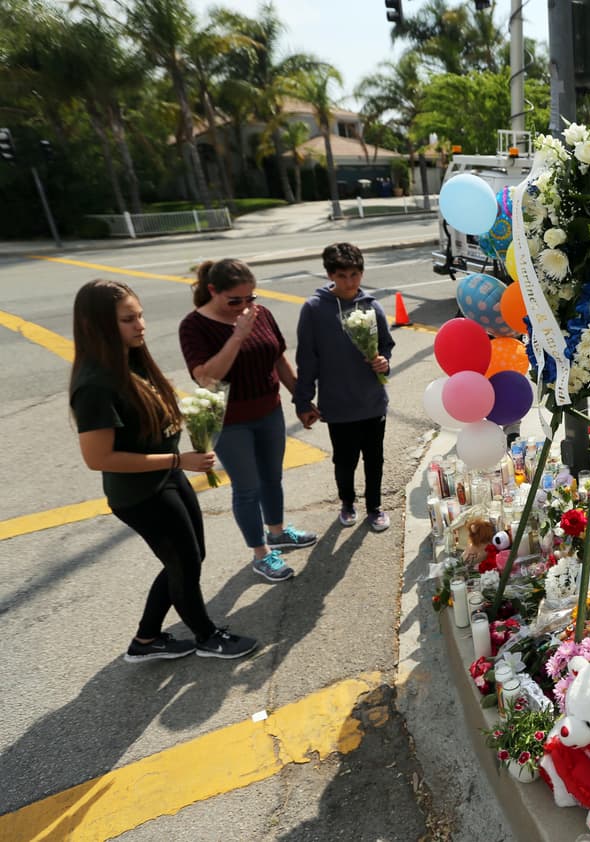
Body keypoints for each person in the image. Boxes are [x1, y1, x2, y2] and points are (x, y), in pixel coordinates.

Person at [70, 279, 257, 661]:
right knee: (183, 563)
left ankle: (146, 640)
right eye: (127, 319)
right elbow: (98, 459)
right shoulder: (94, 385)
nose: (140, 326)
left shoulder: (131, 359)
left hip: (167, 478)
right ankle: (207, 637)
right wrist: (178, 460)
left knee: (189, 558)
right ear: (96, 326)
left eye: (140, 316)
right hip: (140, 494)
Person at [179, 259, 316, 584]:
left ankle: (278, 532)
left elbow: (278, 358)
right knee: (247, 488)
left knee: (272, 478)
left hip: (268, 411)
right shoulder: (194, 326)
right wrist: (237, 336)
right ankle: (260, 553)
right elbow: (206, 378)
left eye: (250, 298)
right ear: (212, 290)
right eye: (235, 300)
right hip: (231, 421)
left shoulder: (261, 313)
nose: (244, 306)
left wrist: (300, 399)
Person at [294, 242, 395, 531]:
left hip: (372, 400)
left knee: (375, 459)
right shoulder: (314, 309)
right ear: (330, 275)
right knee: (345, 460)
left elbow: (386, 345)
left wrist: (383, 363)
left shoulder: (372, 306)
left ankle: (374, 507)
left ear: (362, 273)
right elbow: (307, 359)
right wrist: (303, 402)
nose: (350, 282)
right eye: (342, 276)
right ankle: (347, 501)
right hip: (337, 405)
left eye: (355, 274)